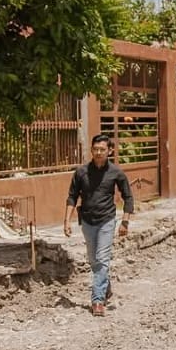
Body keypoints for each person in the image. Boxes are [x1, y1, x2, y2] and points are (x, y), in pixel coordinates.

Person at [63, 134, 134, 317]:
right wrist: (67, 220)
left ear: (110, 151)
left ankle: (97, 300)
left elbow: (128, 197)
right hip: (87, 221)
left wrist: (125, 221)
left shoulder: (116, 173)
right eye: (95, 149)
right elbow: (72, 196)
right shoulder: (81, 172)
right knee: (94, 260)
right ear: (92, 150)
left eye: (102, 149)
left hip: (107, 220)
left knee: (102, 259)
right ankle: (105, 286)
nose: (99, 152)